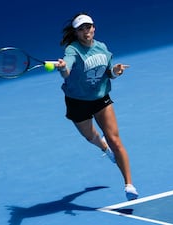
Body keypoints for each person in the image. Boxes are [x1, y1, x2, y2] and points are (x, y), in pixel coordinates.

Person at [55, 13, 138, 201]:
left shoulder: (102, 48)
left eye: (88, 27)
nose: (86, 32)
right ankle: (103, 148)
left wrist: (116, 72)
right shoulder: (72, 50)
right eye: (81, 29)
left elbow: (108, 73)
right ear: (76, 33)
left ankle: (129, 185)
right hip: (77, 101)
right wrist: (63, 68)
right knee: (90, 136)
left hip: (100, 99)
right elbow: (67, 69)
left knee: (116, 140)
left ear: (94, 28)